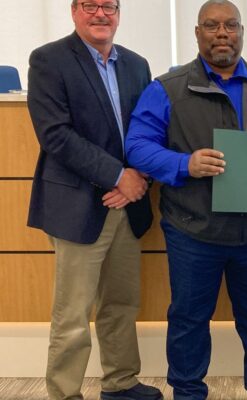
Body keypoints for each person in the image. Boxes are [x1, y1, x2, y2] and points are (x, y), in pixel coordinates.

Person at [125, 1, 247, 399]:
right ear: (197, 33)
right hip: (193, 232)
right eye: (212, 26)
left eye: (230, 26)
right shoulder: (167, 88)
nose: (222, 33)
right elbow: (136, 146)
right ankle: (187, 392)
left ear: (241, 31)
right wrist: (184, 163)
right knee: (188, 320)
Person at [27, 1, 162, 400]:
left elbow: (151, 129)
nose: (100, 14)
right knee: (72, 315)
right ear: (74, 11)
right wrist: (118, 175)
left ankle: (120, 383)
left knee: (121, 304)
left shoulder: (137, 65)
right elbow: (56, 135)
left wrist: (138, 178)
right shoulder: (49, 60)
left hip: (128, 204)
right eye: (91, 5)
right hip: (77, 207)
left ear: (119, 13)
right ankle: (65, 392)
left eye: (109, 6)